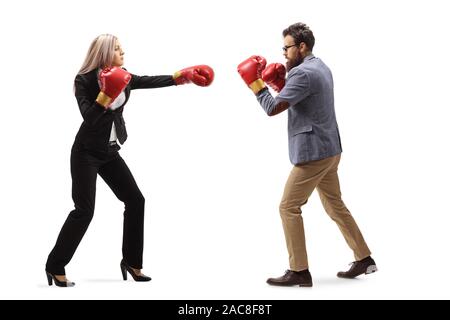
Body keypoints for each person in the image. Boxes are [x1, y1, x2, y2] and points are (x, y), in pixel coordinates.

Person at [45, 34, 214, 287]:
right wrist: (105, 94)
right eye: (116, 48)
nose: (122, 51)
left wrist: (182, 77)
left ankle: (132, 262)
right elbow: (89, 117)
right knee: (85, 211)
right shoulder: (84, 80)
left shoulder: (122, 75)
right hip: (86, 152)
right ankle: (55, 265)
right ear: (103, 53)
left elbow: (148, 81)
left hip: (110, 151)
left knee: (136, 200)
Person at [237, 23, 376, 287]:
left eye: (287, 47)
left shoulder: (302, 74)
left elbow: (271, 108)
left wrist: (255, 83)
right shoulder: (320, 66)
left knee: (288, 207)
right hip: (331, 149)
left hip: (313, 154)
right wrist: (281, 83)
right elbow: (302, 98)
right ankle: (364, 258)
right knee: (335, 204)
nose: (284, 53)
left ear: (302, 47)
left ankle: (299, 270)